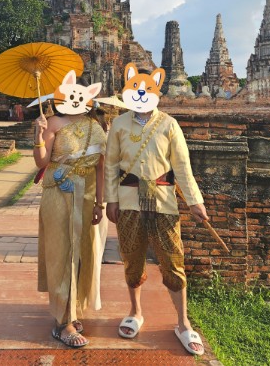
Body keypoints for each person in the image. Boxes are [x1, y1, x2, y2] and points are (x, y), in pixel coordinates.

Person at [104, 63, 208, 356]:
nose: (140, 94)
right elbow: (111, 165)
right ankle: (136, 312)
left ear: (156, 90)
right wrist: (110, 199)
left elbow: (182, 166)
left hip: (163, 201)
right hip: (128, 201)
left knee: (173, 260)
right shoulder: (119, 125)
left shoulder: (168, 124)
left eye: (146, 89)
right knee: (132, 258)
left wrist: (194, 200)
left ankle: (183, 323)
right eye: (135, 88)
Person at [33, 70, 106, 348]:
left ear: (89, 98)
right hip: (57, 195)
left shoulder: (95, 127)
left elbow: (101, 168)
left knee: (82, 253)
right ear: (63, 93)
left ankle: (73, 310)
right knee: (61, 252)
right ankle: (63, 322)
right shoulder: (52, 122)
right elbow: (41, 162)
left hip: (86, 196)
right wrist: (39, 135)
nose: (75, 99)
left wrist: (101, 203)